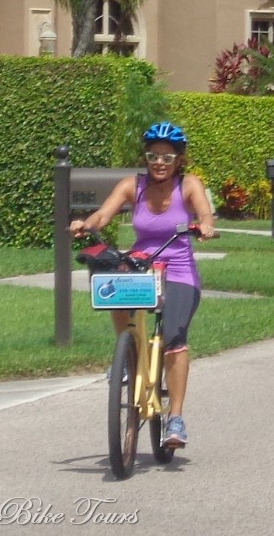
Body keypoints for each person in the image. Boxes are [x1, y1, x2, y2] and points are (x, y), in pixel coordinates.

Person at [69, 121, 215, 447]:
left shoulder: (189, 185)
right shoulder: (131, 186)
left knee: (175, 337)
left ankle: (175, 419)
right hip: (142, 263)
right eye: (153, 156)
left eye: (167, 158)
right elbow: (102, 216)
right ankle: (127, 354)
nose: (159, 163)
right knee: (112, 286)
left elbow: (205, 214)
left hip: (178, 270)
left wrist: (204, 225)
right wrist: (85, 224)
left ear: (179, 160)